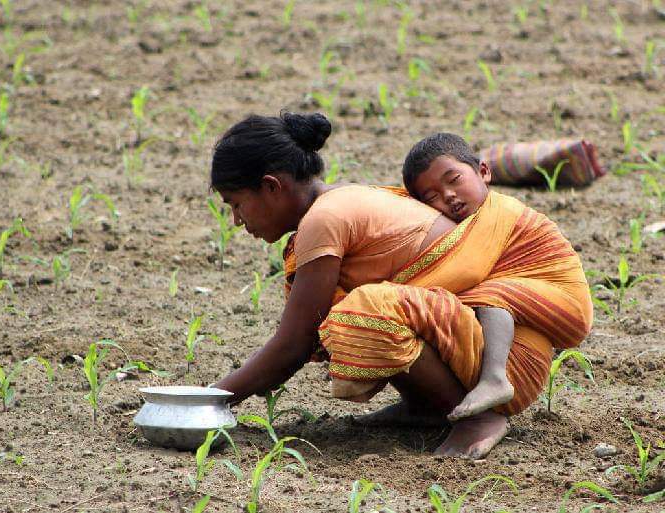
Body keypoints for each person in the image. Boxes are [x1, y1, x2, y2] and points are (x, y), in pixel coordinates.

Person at [210, 111, 560, 459]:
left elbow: (294, 345)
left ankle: (480, 416)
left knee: (361, 313)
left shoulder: (325, 218)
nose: (237, 220)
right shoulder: (342, 199)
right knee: (356, 305)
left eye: (237, 204)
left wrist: (205, 399)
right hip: (480, 342)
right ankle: (424, 406)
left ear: (272, 186)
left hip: (507, 364)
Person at [398, 132, 594, 421]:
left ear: (484, 172)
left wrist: (392, 294)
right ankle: (419, 402)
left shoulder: (497, 212)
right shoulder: (465, 224)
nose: (448, 196)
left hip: (567, 305)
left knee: (481, 292)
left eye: (454, 181)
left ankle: (494, 378)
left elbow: (462, 273)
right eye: (432, 197)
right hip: (529, 303)